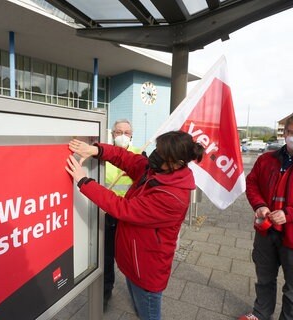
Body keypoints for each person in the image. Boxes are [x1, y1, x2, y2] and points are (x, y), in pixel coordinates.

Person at [66, 130, 204, 320]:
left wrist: (84, 181)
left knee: (148, 314)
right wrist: (96, 150)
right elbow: (126, 158)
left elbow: (123, 208)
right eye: (157, 149)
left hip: (147, 269)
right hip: (134, 260)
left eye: (161, 154)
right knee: (140, 308)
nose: (154, 156)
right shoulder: (156, 170)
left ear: (177, 163)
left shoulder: (172, 196)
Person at [239, 113, 293, 320]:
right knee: (264, 279)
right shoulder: (266, 159)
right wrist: (259, 205)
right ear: (285, 133)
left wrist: (290, 214)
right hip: (266, 230)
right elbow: (251, 184)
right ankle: (260, 313)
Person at [104, 119, 140, 308]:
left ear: (132, 134)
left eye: (126, 132)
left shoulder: (140, 154)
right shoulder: (104, 154)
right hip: (108, 212)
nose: (123, 136)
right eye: (119, 132)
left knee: (131, 257)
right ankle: (105, 292)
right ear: (112, 134)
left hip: (129, 214)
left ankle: (137, 296)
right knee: (106, 255)